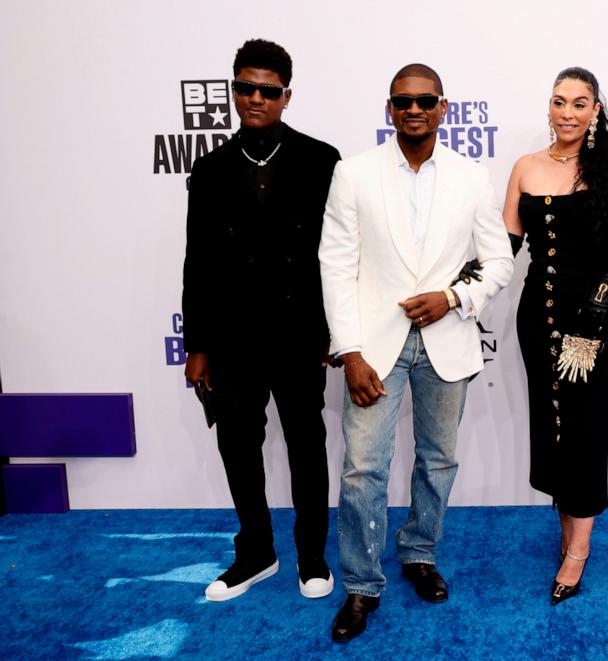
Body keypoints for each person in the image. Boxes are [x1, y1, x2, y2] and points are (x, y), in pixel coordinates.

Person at [319, 63, 513, 641]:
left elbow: (500, 261)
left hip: (447, 342)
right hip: (373, 349)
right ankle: (360, 585)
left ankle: (419, 552)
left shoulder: (471, 177)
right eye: (403, 101)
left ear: (443, 108)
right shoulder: (352, 174)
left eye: (425, 101)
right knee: (361, 470)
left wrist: (454, 296)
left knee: (437, 461)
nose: (414, 110)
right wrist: (350, 351)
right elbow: (336, 266)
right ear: (389, 109)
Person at [182, 38, 340, 602]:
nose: (255, 98)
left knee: (306, 444)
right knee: (238, 447)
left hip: (300, 334)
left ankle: (312, 555)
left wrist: (335, 331)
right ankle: (255, 553)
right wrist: (196, 344)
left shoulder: (322, 161)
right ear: (234, 91)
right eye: (246, 88)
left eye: (267, 90)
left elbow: (341, 255)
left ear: (286, 96)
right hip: (230, 339)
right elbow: (196, 260)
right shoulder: (209, 170)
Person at [503, 67, 608, 604]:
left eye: (579, 103)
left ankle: (578, 551)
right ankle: (569, 534)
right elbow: (505, 250)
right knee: (554, 423)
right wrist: (457, 293)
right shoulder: (525, 167)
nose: (567, 112)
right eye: (559, 101)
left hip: (597, 319)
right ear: (549, 107)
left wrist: (595, 309)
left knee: (586, 425)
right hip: (538, 315)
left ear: (595, 112)